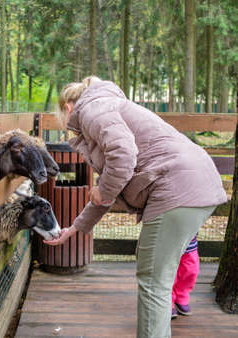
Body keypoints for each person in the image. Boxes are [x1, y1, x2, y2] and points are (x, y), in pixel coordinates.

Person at [44, 76, 227, 338]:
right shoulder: (107, 105)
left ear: (68, 107)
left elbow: (123, 157)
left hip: (175, 188)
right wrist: (74, 228)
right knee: (158, 279)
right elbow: (109, 187)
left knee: (153, 282)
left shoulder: (92, 109)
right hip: (197, 185)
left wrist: (103, 190)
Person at [171, 234, 199, 319]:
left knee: (191, 271)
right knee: (170, 273)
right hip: (169, 245)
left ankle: (181, 297)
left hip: (190, 244)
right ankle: (168, 301)